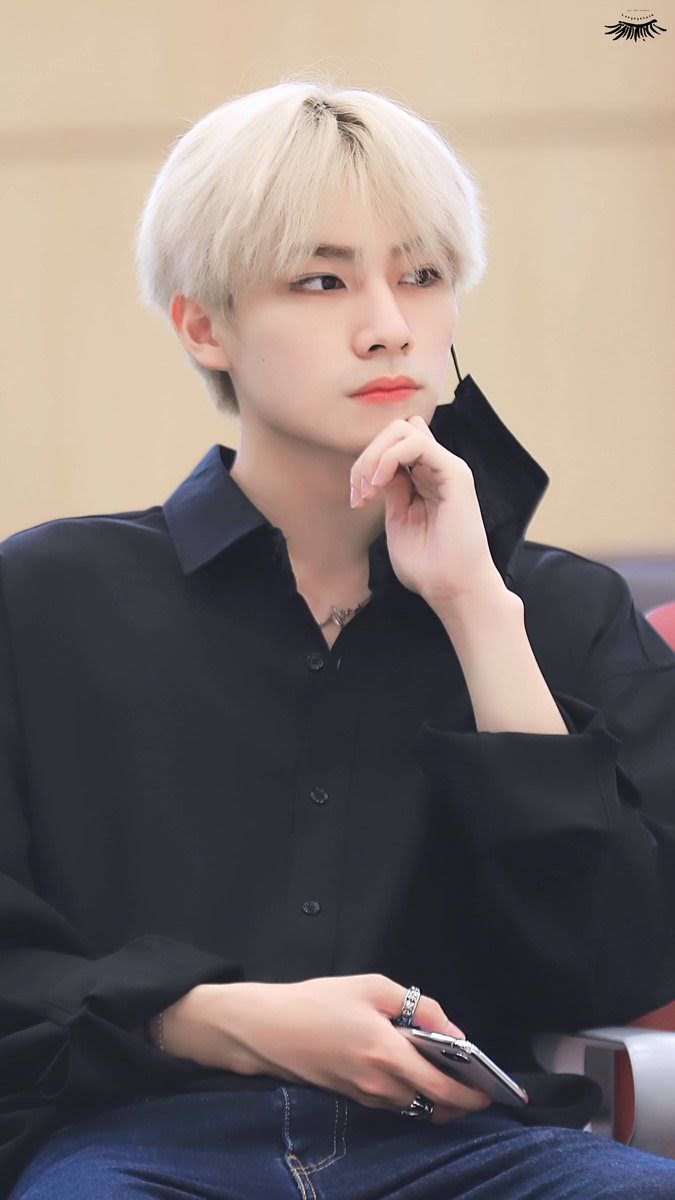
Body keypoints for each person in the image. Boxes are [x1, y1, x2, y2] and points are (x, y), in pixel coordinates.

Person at [2, 76, 675, 1200]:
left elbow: (618, 968)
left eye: (422, 275)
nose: (389, 324)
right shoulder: (45, 598)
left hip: (477, 1151)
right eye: (322, 280)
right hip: (135, 1147)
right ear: (203, 324)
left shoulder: (557, 611)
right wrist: (212, 1018)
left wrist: (475, 608)